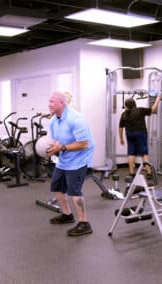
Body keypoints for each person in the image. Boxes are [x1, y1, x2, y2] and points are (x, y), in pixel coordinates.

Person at [46, 91, 94, 237]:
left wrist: (62, 148)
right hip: (64, 159)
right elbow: (57, 141)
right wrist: (54, 149)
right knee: (56, 186)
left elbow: (84, 143)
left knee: (74, 191)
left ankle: (84, 223)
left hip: (79, 159)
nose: (49, 105)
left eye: (52, 101)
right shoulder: (54, 121)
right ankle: (67, 215)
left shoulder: (76, 119)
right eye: (49, 101)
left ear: (62, 103)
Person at [118, 95, 161, 177]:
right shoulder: (140, 110)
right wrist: (157, 100)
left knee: (131, 153)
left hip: (129, 134)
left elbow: (120, 127)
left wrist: (121, 138)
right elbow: (153, 109)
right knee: (144, 152)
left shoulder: (123, 114)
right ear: (134, 104)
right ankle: (149, 172)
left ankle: (131, 173)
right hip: (140, 134)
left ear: (126, 105)